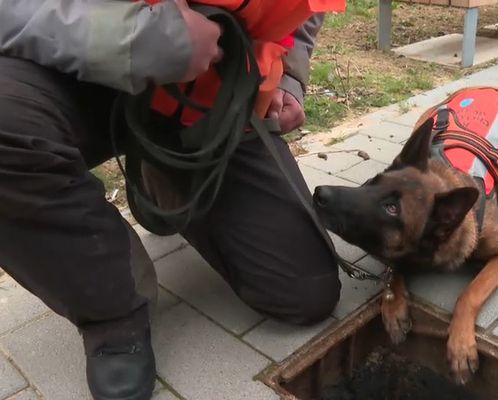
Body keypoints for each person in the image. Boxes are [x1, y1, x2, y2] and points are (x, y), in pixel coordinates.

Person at [0, 1, 344, 399]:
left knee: (303, 294)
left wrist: (290, 79)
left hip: (215, 76)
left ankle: (166, 168)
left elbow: (304, 9)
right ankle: (111, 311)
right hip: (67, 65)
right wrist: (124, 40)